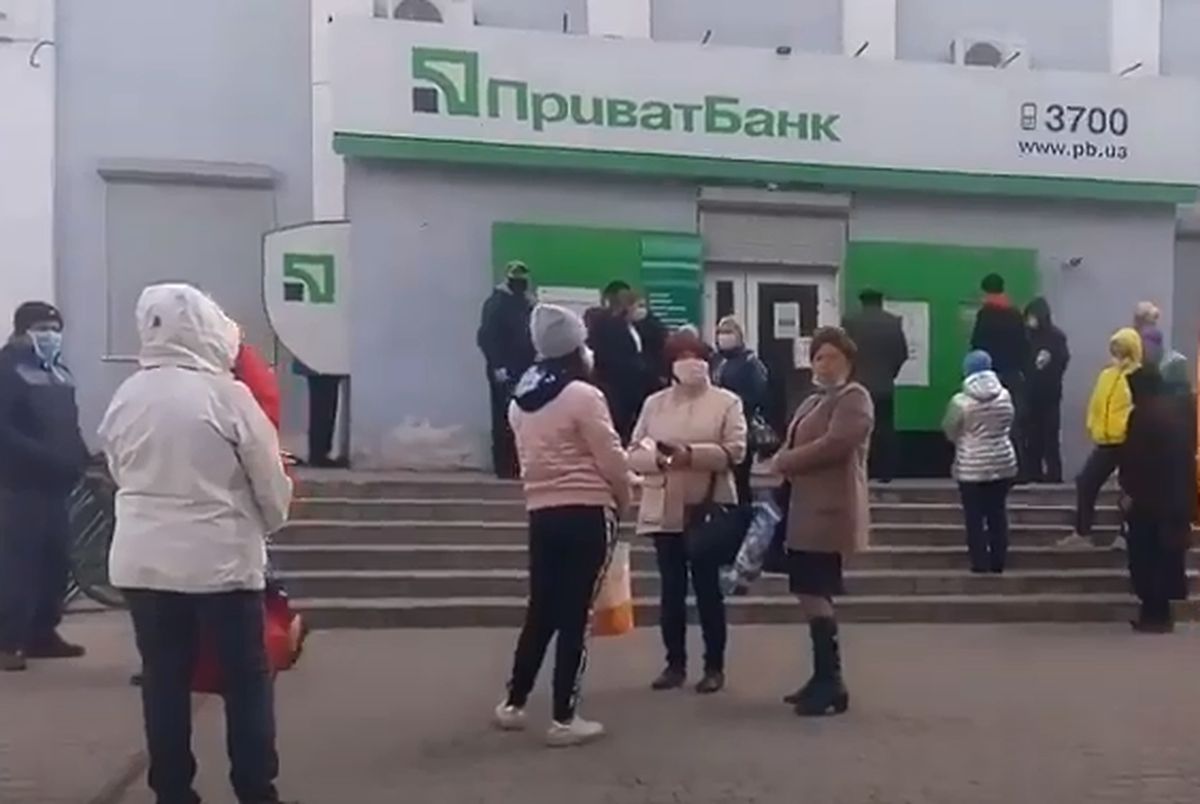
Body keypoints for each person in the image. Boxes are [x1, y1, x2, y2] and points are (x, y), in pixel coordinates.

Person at [99, 284, 294, 804]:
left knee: (164, 679)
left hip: (143, 565)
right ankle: (254, 788)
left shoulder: (128, 396)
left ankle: (171, 789)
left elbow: (118, 468)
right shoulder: (228, 396)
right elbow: (269, 482)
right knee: (246, 680)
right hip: (221, 564)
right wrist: (268, 522)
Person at [494, 304, 631, 747]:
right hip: (588, 512)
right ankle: (564, 718)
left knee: (542, 610)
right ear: (576, 348)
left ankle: (513, 702)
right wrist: (624, 499)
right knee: (576, 615)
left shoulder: (521, 400)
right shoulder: (583, 396)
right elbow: (610, 457)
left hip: (542, 512)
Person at [629, 329, 746, 695]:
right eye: (681, 357)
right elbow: (634, 450)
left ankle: (714, 666)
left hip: (706, 506)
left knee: (708, 590)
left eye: (696, 356)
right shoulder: (655, 403)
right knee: (671, 589)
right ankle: (674, 663)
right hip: (664, 505)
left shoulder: (726, 401)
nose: (689, 363)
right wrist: (661, 459)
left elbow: (736, 450)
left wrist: (691, 455)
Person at [0, 302, 89, 672]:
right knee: (17, 566)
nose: (50, 335)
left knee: (55, 562)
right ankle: (7, 641)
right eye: (42, 328)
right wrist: (47, 457)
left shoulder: (58, 372)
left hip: (56, 487)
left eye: (55, 329)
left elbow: (70, 425)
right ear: (22, 331)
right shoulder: (7, 370)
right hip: (18, 486)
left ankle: (41, 633)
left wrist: (84, 458)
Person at [1118, 366, 1195, 633]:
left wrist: (1128, 491)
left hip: (1149, 502)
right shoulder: (1176, 413)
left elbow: (1134, 459)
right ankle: (1161, 615)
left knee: (1146, 558)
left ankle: (1152, 615)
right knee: (1167, 558)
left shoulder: (1142, 416)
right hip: (1174, 500)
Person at [1060, 328, 1142, 549]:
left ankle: (1126, 535)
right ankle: (1083, 532)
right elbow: (1095, 404)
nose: (1117, 354)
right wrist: (1093, 426)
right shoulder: (1106, 375)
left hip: (1129, 441)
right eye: (1115, 349)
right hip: (1106, 441)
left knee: (1130, 489)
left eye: (1121, 349)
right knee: (1086, 481)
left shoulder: (1137, 377)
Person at [943, 351, 1018, 574]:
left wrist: (963, 441)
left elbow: (949, 429)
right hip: (1002, 462)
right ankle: (998, 561)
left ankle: (980, 562)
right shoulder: (1005, 395)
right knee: (997, 512)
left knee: (974, 516)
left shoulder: (960, 401)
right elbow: (1009, 422)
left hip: (971, 465)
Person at [841, 289, 908, 482]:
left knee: (857, 428)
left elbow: (843, 353)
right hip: (884, 385)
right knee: (885, 428)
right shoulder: (893, 322)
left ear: (862, 302)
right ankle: (886, 472)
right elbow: (902, 353)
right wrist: (891, 373)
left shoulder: (850, 322)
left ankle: (862, 469)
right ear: (880, 301)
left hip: (857, 386)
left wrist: (849, 376)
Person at [477, 261, 536, 478]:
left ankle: (520, 463)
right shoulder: (496, 303)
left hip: (525, 368)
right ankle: (504, 465)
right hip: (504, 369)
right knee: (504, 417)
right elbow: (487, 337)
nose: (520, 281)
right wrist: (497, 365)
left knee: (522, 416)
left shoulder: (527, 303)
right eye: (516, 277)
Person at [971, 274, 1031, 480]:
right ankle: (1019, 471)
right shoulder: (1015, 314)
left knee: (989, 425)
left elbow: (977, 345)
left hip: (991, 377)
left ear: (986, 291)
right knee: (1013, 424)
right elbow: (1025, 346)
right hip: (1013, 375)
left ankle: (992, 471)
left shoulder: (985, 315)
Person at [712, 315, 769, 505]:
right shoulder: (717, 360)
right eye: (721, 332)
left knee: (740, 478)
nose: (724, 336)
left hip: (740, 425)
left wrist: (731, 404)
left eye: (729, 332)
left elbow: (758, 394)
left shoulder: (750, 363)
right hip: (715, 426)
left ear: (739, 335)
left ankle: (742, 513)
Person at [591, 286, 653, 444]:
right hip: (619, 384)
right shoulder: (613, 327)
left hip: (634, 381)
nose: (639, 310)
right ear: (627, 307)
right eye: (637, 305)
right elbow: (616, 356)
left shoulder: (632, 326)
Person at [1024, 298, 1070, 483]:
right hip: (1032, 394)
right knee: (1032, 435)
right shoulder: (1026, 336)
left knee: (1050, 436)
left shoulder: (1056, 337)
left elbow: (1062, 361)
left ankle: (1053, 473)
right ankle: (1033, 471)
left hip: (1049, 394)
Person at [295, 360, 347, 468]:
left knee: (323, 403)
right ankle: (319, 453)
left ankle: (318, 452)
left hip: (318, 361)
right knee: (324, 403)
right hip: (323, 362)